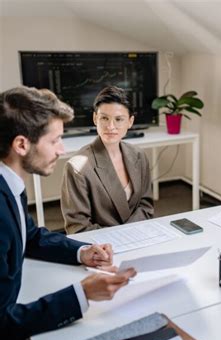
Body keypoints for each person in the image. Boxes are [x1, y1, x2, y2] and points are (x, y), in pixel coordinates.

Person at [0, 86, 136, 340]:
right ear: (21, 144)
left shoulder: (10, 183)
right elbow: (2, 325)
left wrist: (82, 252)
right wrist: (81, 294)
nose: (61, 150)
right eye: (54, 141)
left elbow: (31, 236)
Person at [61, 86, 154, 234]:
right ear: (94, 119)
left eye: (119, 119)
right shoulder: (77, 167)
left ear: (130, 122)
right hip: (102, 247)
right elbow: (78, 227)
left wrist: (131, 233)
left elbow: (146, 206)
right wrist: (121, 236)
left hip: (139, 235)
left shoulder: (139, 155)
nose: (111, 126)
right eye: (104, 118)